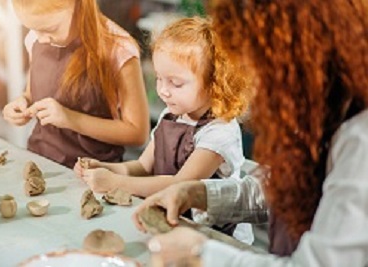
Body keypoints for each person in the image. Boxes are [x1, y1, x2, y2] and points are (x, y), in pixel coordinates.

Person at [132, 0, 368, 266]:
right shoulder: (319, 109)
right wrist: (197, 194)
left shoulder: (361, 141)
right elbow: (281, 186)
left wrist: (203, 254)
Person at [74, 17, 253, 243]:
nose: (163, 91)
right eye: (159, 79)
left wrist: (115, 183)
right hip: (174, 223)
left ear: (215, 83)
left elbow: (180, 186)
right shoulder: (171, 116)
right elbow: (142, 167)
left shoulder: (220, 133)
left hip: (217, 238)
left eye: (175, 83)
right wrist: (105, 168)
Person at [2, 0, 150, 168]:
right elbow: (31, 92)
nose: (41, 39)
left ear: (79, 6)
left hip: (93, 173)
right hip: (40, 161)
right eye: (32, 28)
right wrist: (22, 102)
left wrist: (71, 119)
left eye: (50, 29)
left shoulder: (118, 50)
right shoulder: (35, 39)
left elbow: (137, 133)